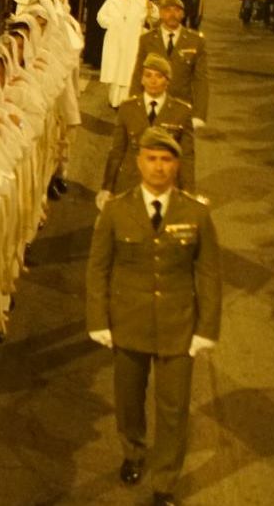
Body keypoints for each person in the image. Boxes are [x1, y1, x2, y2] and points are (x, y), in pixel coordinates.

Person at [86, 128, 221, 506]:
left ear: (176, 165)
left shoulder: (196, 214)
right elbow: (98, 268)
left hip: (178, 325)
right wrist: (98, 318)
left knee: (174, 408)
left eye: (166, 160)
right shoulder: (116, 211)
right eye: (152, 159)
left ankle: (165, 482)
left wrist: (206, 328)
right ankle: (133, 451)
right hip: (128, 321)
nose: (159, 167)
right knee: (129, 400)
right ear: (139, 162)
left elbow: (209, 272)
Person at [102, 54, 197, 197]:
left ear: (167, 81)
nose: (153, 81)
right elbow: (117, 151)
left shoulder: (181, 112)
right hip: (130, 184)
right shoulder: (128, 108)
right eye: (148, 75)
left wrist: (187, 191)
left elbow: (186, 156)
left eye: (159, 76)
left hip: (165, 184)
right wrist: (107, 187)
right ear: (142, 79)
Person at [130, 0, 209, 125]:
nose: (172, 14)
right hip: (152, 107)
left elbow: (201, 80)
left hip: (181, 109)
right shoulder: (147, 40)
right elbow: (138, 74)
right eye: (168, 10)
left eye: (177, 11)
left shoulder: (195, 41)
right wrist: (134, 105)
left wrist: (199, 115)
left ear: (183, 14)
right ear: (160, 13)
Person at [97, 0, 153, 108]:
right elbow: (100, 16)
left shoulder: (139, 0)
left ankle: (130, 99)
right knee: (116, 69)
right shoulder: (112, 1)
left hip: (133, 40)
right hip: (116, 40)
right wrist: (113, 23)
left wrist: (151, 8)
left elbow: (154, 15)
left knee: (130, 69)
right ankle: (115, 100)